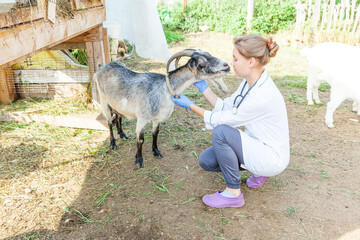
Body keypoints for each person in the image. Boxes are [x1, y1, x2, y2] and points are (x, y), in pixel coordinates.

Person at [172, 35, 289, 208]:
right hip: (259, 145)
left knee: (221, 133)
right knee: (207, 160)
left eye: (235, 59)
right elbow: (227, 107)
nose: (231, 63)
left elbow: (221, 120)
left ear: (251, 62)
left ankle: (234, 193)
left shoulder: (262, 96)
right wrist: (204, 88)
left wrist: (190, 105)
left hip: (271, 157)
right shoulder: (251, 81)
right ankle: (258, 171)